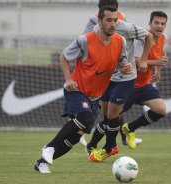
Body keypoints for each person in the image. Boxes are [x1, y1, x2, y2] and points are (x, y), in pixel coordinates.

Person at [34, 6, 132, 174]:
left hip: (95, 97)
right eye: (108, 20)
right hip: (76, 90)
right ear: (100, 22)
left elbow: (120, 61)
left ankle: (41, 163)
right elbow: (64, 56)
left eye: (115, 20)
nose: (113, 24)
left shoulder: (120, 41)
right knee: (84, 117)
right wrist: (68, 79)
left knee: (74, 138)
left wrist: (123, 68)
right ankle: (49, 147)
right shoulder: (85, 40)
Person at [83, 2, 153, 162]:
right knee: (108, 117)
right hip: (107, 78)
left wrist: (143, 60)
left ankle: (110, 147)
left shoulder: (126, 28)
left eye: (114, 18)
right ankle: (92, 144)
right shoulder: (96, 29)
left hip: (126, 79)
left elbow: (148, 36)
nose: (112, 23)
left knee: (113, 114)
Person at [119, 10, 169, 150]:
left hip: (144, 85)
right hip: (129, 84)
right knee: (112, 115)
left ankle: (130, 128)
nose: (159, 26)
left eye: (162, 24)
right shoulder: (142, 38)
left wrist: (157, 71)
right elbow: (134, 61)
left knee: (161, 109)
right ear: (150, 23)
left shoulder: (162, 37)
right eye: (156, 23)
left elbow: (159, 55)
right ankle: (99, 146)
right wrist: (156, 62)